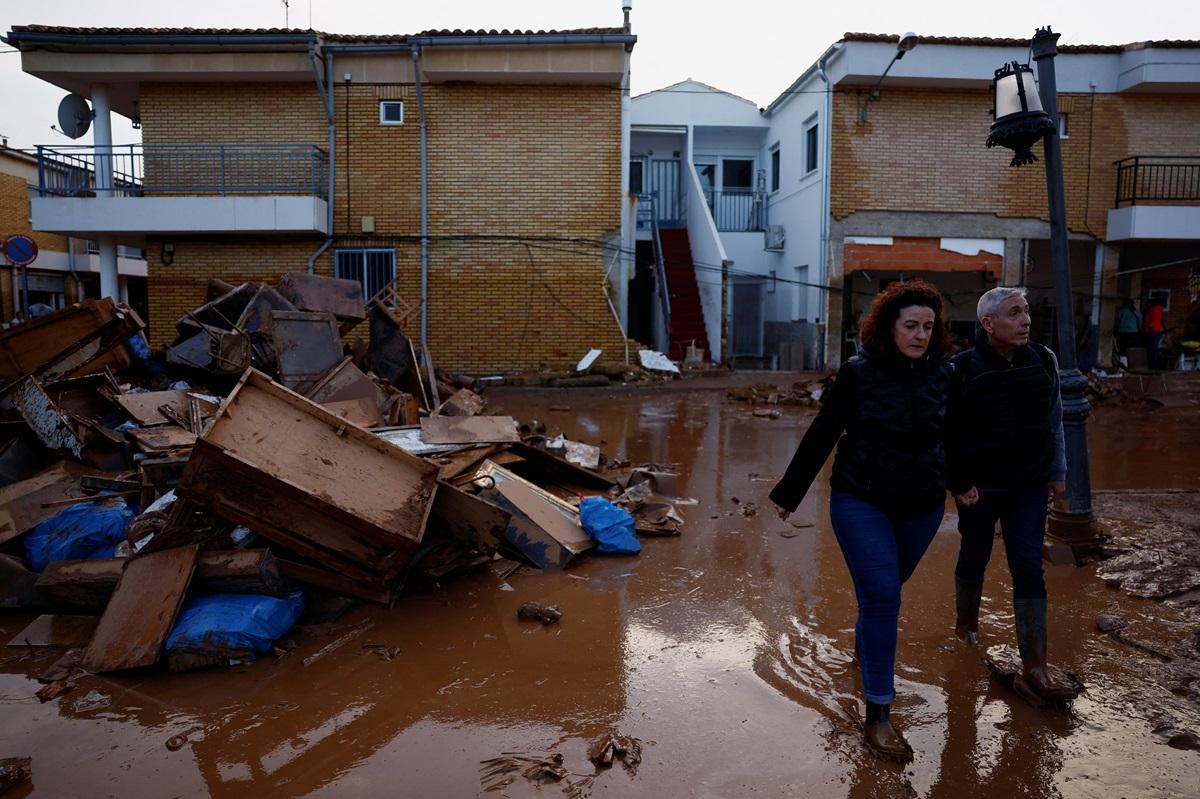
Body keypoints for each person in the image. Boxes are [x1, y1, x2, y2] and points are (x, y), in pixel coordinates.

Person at [769, 280, 953, 762]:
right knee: (884, 599)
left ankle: (866, 645)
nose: (919, 335)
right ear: (888, 328)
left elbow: (957, 436)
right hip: (861, 499)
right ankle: (879, 714)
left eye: (928, 327)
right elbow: (823, 432)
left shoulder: (944, 374)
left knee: (883, 594)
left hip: (923, 504)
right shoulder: (859, 373)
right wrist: (791, 492)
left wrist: (968, 482)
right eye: (910, 325)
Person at [946, 286, 1078, 704]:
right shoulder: (961, 369)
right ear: (988, 324)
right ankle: (966, 624)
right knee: (975, 554)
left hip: (1029, 485)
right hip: (979, 488)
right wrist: (958, 482)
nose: (1025, 321)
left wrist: (1058, 472)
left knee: (1028, 565)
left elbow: (1054, 418)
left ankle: (1035, 664)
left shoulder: (1043, 359)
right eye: (1014, 313)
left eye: (1026, 312)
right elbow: (946, 434)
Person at [1143, 297, 1166, 369]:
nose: (1145, 305)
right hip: (1158, 331)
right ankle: (1155, 363)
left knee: (1152, 348)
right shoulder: (1159, 310)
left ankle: (1154, 365)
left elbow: (1152, 322)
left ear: (1150, 304)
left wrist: (1146, 327)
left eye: (1146, 304)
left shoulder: (1152, 310)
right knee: (1154, 348)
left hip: (1153, 331)